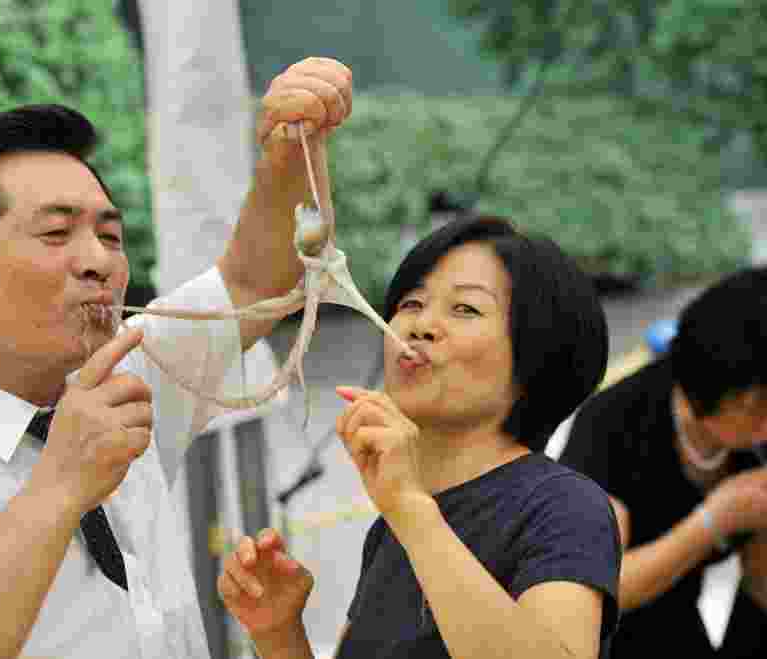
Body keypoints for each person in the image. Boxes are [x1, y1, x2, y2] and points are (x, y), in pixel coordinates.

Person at [0, 57, 353, 659]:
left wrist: (291, 146)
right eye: (55, 234)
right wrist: (62, 482)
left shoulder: (130, 376)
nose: (98, 262)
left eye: (110, 236)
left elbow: (255, 287)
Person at [218, 215, 621, 658]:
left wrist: (411, 510)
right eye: (411, 303)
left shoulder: (563, 507)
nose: (420, 325)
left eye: (465, 308)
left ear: (537, 353)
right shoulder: (391, 529)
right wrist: (278, 632)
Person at [558, 267, 767, 659]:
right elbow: (596, 588)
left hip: (675, 623)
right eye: (764, 406)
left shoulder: (766, 443)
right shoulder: (615, 424)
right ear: (715, 380)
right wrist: (711, 523)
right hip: (590, 638)